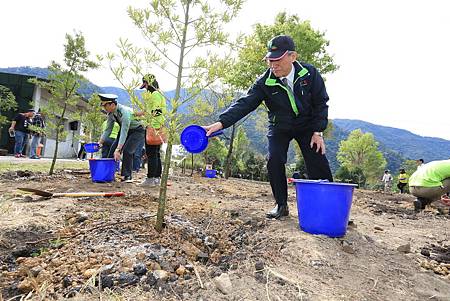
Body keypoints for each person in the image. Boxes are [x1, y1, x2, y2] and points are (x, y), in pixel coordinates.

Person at [203, 35, 333, 219]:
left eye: (277, 60)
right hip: (280, 125)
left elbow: (321, 103)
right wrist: (221, 122)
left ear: (292, 56)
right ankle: (281, 205)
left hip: (307, 125)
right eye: (270, 61)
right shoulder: (264, 82)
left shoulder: (310, 74)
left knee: (317, 156)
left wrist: (318, 131)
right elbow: (245, 104)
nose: (273, 65)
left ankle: (330, 205)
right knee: (274, 158)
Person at [98, 93, 145, 183]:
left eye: (105, 105)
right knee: (112, 150)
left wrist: (119, 149)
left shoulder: (124, 113)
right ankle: (108, 173)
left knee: (128, 150)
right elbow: (108, 130)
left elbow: (124, 131)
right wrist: (100, 142)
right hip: (126, 130)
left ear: (112, 105)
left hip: (137, 130)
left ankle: (127, 175)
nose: (104, 108)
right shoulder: (111, 114)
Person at [139, 74, 167, 186]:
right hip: (159, 126)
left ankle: (150, 178)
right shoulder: (160, 94)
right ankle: (156, 178)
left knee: (151, 153)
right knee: (156, 153)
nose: (145, 88)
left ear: (148, 83)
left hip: (153, 127)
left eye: (145, 85)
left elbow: (156, 111)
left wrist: (146, 118)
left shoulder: (154, 95)